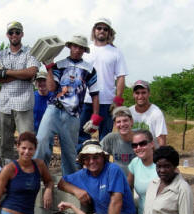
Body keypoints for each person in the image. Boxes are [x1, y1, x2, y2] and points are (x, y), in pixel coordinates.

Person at [35, 35, 99, 176]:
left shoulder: (89, 69)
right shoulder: (59, 64)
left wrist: (95, 116)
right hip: (54, 109)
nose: (77, 50)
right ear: (70, 47)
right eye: (75, 46)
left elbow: (95, 93)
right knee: (41, 142)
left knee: (70, 152)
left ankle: (70, 183)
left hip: (73, 114)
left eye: (80, 47)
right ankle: (37, 177)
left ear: (84, 50)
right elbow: (51, 88)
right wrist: (49, 69)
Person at [77, 17, 128, 152]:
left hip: (107, 102)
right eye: (99, 28)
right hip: (86, 100)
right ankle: (80, 166)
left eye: (105, 29)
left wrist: (118, 100)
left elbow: (121, 77)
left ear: (109, 32)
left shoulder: (116, 52)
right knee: (81, 135)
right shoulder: (86, 50)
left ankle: (103, 168)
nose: (102, 31)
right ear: (94, 30)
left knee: (105, 138)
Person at [0, 21, 40, 165]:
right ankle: (7, 173)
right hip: (4, 103)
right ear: (7, 35)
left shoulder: (31, 52)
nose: (14, 35)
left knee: (27, 140)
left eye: (17, 32)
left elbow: (32, 72)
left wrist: (6, 72)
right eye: (11, 32)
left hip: (24, 103)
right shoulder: (0, 54)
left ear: (22, 34)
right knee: (5, 142)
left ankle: (27, 171)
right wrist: (22, 74)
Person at [127, 129, 158, 214]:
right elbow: (127, 188)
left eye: (143, 143)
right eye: (134, 145)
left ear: (152, 144)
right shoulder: (134, 163)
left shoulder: (163, 164)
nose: (138, 147)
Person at [129, 80, 167, 147]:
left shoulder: (156, 113)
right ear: (133, 95)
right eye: (137, 93)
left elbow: (161, 140)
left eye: (143, 93)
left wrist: (160, 156)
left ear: (149, 94)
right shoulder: (129, 112)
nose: (140, 96)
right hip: (133, 152)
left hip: (152, 153)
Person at [101, 106, 135, 176]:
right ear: (115, 124)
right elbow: (96, 152)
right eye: (118, 122)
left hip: (137, 179)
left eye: (125, 120)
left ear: (131, 121)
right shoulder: (111, 138)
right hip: (117, 179)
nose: (122, 124)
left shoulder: (141, 137)